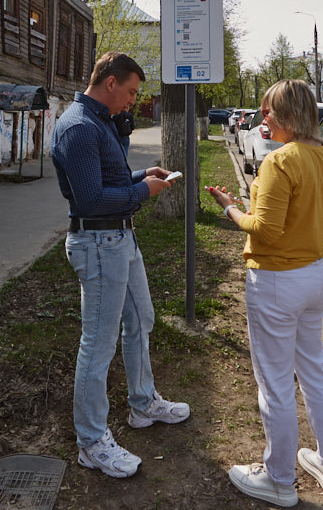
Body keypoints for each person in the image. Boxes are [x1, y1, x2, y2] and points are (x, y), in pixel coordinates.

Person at [208, 79, 323, 506]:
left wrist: (231, 209)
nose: (263, 117)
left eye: (269, 111)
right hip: (313, 275)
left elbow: (266, 230)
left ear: (289, 115)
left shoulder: (279, 161)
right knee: (313, 371)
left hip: (275, 281)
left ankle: (278, 480)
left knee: (274, 383)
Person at [51, 51, 191, 478]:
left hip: (119, 238)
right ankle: (91, 442)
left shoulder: (100, 122)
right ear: (109, 82)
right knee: (98, 343)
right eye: (130, 91)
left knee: (141, 319)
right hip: (98, 243)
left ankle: (143, 404)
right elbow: (89, 199)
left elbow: (107, 182)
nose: (132, 100)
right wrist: (145, 192)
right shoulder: (78, 125)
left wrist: (141, 176)